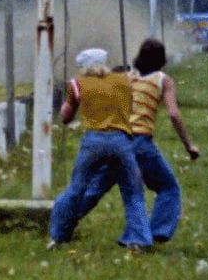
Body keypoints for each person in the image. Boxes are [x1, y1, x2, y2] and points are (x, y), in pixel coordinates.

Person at [81, 38, 200, 243]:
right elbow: (173, 114)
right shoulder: (163, 80)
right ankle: (157, 231)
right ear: (162, 59)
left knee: (94, 189)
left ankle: (61, 221)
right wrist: (188, 145)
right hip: (140, 142)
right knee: (168, 188)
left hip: (116, 138)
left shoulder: (127, 78)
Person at [48, 48, 152, 251]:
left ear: (83, 67)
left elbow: (66, 117)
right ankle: (138, 240)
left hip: (93, 141)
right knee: (133, 192)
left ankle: (58, 235)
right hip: (121, 140)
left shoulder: (77, 84)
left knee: (76, 189)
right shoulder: (125, 80)